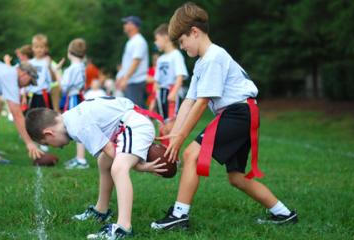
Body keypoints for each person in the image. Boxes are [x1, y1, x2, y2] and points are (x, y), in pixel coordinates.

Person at [150, 2, 297, 230]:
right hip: (242, 113)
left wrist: (181, 138)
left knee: (191, 155)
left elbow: (201, 103)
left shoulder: (213, 57)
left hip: (238, 113)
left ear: (195, 32)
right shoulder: (201, 63)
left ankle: (179, 216)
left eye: (182, 41)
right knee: (236, 177)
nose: (181, 47)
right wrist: (174, 135)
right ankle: (283, 213)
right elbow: (188, 102)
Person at [25, 97, 167, 239]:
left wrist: (140, 167)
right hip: (128, 124)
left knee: (119, 168)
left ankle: (124, 227)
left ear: (49, 133)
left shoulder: (77, 126)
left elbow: (111, 149)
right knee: (104, 162)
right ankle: (101, 210)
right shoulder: (70, 117)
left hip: (134, 126)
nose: (57, 147)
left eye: (48, 143)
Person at [59, 38, 89, 170]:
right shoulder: (82, 66)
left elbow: (63, 86)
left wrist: (56, 71)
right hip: (80, 96)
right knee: (80, 126)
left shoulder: (71, 69)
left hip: (74, 98)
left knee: (78, 128)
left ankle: (81, 160)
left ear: (69, 53)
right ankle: (79, 157)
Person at [153, 23, 188, 135]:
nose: (156, 42)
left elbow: (180, 76)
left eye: (157, 39)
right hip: (161, 94)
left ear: (166, 38)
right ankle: (164, 151)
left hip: (171, 92)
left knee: (171, 126)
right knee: (162, 126)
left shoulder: (176, 55)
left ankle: (172, 152)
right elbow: (156, 81)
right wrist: (154, 99)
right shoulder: (160, 59)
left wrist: (174, 92)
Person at [116, 16, 149, 108]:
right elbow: (127, 63)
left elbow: (136, 62)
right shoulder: (132, 41)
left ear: (133, 26)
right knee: (133, 109)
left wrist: (125, 79)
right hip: (131, 81)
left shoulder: (138, 41)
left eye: (126, 23)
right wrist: (120, 77)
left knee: (136, 110)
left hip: (136, 81)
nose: (124, 25)